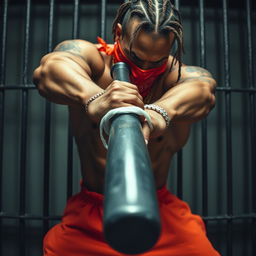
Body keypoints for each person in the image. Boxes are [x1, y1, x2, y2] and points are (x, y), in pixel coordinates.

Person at [33, 0, 220, 255]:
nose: (144, 70)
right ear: (119, 34)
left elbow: (204, 91)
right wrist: (95, 98)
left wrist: (157, 114)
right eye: (135, 57)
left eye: (156, 61)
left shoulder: (172, 77)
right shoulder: (95, 62)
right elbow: (49, 70)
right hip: (92, 212)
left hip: (161, 212)